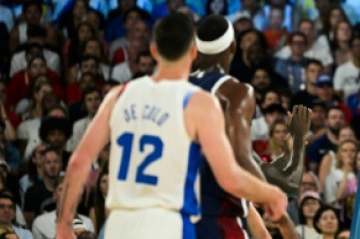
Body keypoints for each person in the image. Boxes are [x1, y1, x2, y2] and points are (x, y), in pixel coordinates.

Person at [56, 13, 287, 239]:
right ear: (193, 52)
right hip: (168, 223)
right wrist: (271, 194)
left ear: (154, 51)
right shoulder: (199, 102)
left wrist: (64, 224)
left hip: (120, 224)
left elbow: (79, 161)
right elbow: (229, 178)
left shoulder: (119, 94)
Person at [191, 15, 310, 238]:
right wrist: (276, 206)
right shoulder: (234, 92)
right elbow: (241, 157)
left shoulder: (177, 87)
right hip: (214, 213)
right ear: (233, 47)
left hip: (174, 213)